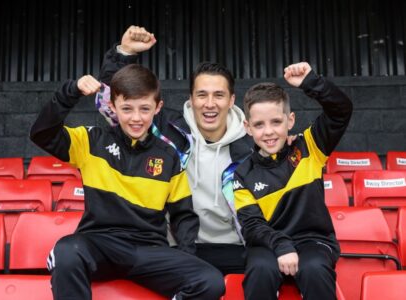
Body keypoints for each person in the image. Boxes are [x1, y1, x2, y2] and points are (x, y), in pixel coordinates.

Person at [30, 64, 225, 300]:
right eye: (127, 108)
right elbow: (42, 133)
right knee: (66, 251)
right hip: (100, 245)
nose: (136, 118)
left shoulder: (169, 156)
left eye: (144, 109)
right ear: (112, 107)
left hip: (149, 250)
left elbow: (182, 216)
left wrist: (185, 259)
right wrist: (71, 91)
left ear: (157, 108)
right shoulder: (91, 142)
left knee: (211, 281)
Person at [98, 25, 255, 275]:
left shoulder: (253, 144)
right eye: (201, 95)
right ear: (191, 99)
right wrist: (123, 54)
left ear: (232, 100)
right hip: (179, 247)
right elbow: (113, 105)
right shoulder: (169, 131)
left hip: (237, 247)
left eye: (219, 95)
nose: (210, 104)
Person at [231, 62, 352, 299]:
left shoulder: (310, 146)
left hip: (313, 242)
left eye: (276, 122)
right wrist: (282, 246)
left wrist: (311, 82)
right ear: (247, 128)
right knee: (260, 269)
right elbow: (253, 226)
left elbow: (342, 110)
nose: (268, 132)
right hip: (267, 245)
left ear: (290, 120)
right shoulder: (243, 173)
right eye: (259, 124)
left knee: (315, 269)